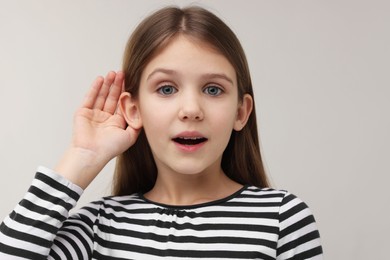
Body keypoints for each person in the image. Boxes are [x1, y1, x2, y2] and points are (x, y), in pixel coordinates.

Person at [0, 6, 323, 260]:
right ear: (133, 110)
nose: (191, 108)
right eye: (167, 88)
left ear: (241, 112)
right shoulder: (99, 225)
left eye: (213, 89)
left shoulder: (281, 218)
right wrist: (83, 156)